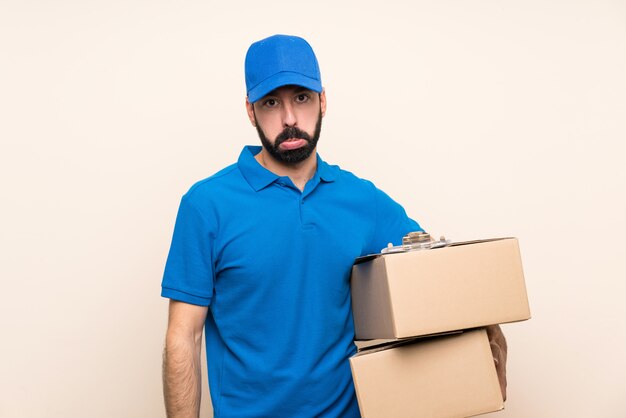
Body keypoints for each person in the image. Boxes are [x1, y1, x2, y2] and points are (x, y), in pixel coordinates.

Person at [161, 34, 507, 418]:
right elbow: (184, 337)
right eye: (271, 102)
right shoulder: (207, 205)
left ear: (323, 100)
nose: (289, 119)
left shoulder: (362, 200)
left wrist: (487, 326)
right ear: (250, 111)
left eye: (302, 98)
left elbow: (432, 271)